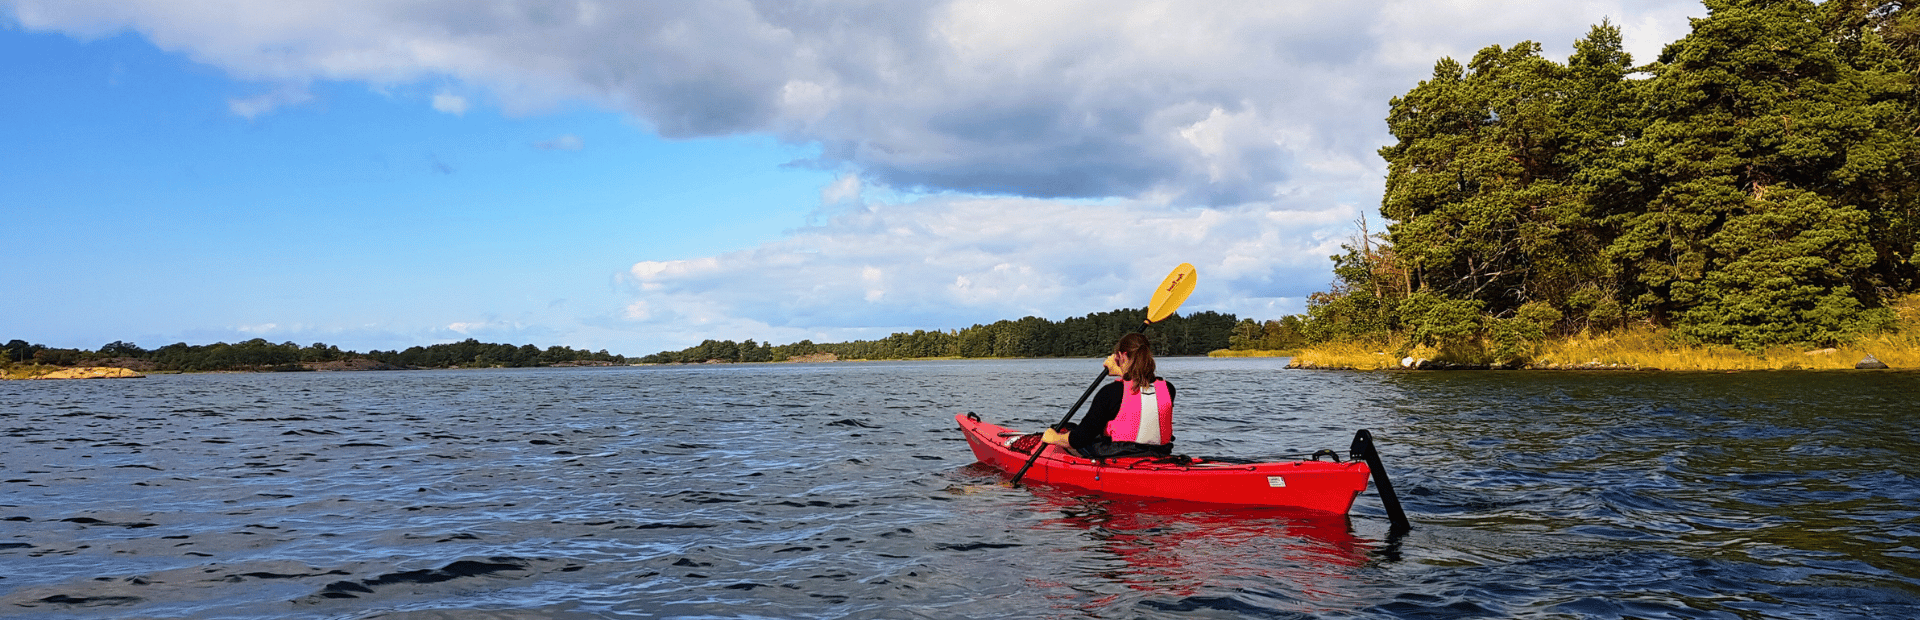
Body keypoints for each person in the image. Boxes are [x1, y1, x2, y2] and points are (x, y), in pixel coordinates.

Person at [1040, 333, 1176, 459]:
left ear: (1122, 356)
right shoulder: (1168, 389)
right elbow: (1141, 392)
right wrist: (1121, 372)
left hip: (1118, 455)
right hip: (1160, 453)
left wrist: (1054, 438)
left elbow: (1080, 438)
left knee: (1073, 434)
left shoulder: (1110, 392)